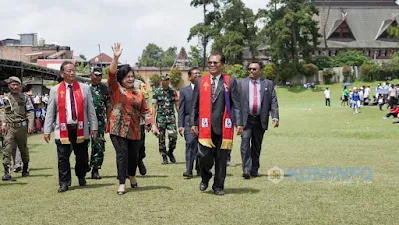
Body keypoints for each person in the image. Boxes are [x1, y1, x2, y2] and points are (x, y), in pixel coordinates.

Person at [190, 52, 243, 196]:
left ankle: (218, 186)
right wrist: (193, 123)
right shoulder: (200, 81)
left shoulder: (230, 81)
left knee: (221, 159)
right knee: (203, 156)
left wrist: (239, 123)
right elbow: (194, 105)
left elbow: (236, 105)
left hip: (223, 127)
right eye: (210, 62)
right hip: (205, 127)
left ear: (222, 65)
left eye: (215, 63)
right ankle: (205, 176)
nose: (212, 65)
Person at [43, 61, 98, 193]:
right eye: (68, 70)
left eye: (73, 70)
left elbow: (91, 109)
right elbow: (50, 111)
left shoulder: (84, 88)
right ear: (62, 74)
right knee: (63, 157)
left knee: (82, 156)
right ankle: (64, 182)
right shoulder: (55, 90)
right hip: (63, 129)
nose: (72, 72)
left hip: (80, 128)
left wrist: (94, 127)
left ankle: (81, 176)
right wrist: (47, 130)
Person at [107, 43, 152, 195]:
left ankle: (132, 176)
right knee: (122, 154)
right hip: (117, 129)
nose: (131, 79)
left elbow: (146, 110)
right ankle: (121, 183)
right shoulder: (115, 89)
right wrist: (115, 57)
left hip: (134, 130)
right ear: (121, 79)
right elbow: (111, 74)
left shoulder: (139, 93)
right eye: (128, 76)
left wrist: (149, 122)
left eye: (132, 76)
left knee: (134, 156)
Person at [238, 61, 279, 179]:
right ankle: (246, 169)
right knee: (245, 143)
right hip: (246, 120)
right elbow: (235, 102)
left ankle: (254, 169)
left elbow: (273, 101)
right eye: (249, 69)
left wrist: (275, 116)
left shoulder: (268, 84)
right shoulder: (241, 83)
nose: (251, 71)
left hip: (260, 120)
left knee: (256, 145)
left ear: (260, 71)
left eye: (254, 69)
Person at [0, 77, 35, 180]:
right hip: (9, 127)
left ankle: (25, 167)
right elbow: (2, 111)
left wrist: (30, 124)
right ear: (9, 86)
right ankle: (7, 172)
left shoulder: (25, 98)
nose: (15, 87)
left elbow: (30, 111)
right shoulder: (5, 98)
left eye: (17, 85)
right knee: (7, 148)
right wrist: (3, 123)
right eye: (12, 85)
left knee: (23, 148)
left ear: (20, 86)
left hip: (22, 127)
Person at [178, 67, 201, 178]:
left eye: (199, 73)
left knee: (201, 145)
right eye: (195, 73)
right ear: (189, 76)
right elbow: (181, 109)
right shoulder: (184, 91)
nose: (198, 75)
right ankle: (189, 169)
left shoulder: (205, 90)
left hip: (202, 122)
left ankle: (200, 168)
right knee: (190, 143)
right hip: (188, 122)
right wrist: (180, 125)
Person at [152, 74, 179, 165]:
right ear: (161, 81)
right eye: (164, 80)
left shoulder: (173, 92)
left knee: (173, 136)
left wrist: (182, 117)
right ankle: (164, 156)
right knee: (161, 138)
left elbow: (177, 105)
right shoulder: (156, 92)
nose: (166, 81)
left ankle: (170, 152)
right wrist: (153, 123)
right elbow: (154, 107)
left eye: (167, 80)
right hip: (161, 118)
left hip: (171, 117)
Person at [89, 67, 110, 179]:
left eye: (100, 75)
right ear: (90, 75)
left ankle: (95, 168)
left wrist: (108, 120)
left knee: (99, 145)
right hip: (86, 121)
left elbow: (108, 105)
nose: (98, 77)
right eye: (96, 75)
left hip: (100, 121)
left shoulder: (104, 88)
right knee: (82, 145)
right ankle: (84, 167)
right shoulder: (85, 88)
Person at [133, 78, 150, 176]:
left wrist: (147, 120)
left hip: (139, 122)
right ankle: (125, 170)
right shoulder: (118, 84)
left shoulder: (140, 84)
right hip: (124, 122)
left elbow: (146, 102)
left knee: (140, 145)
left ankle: (139, 160)